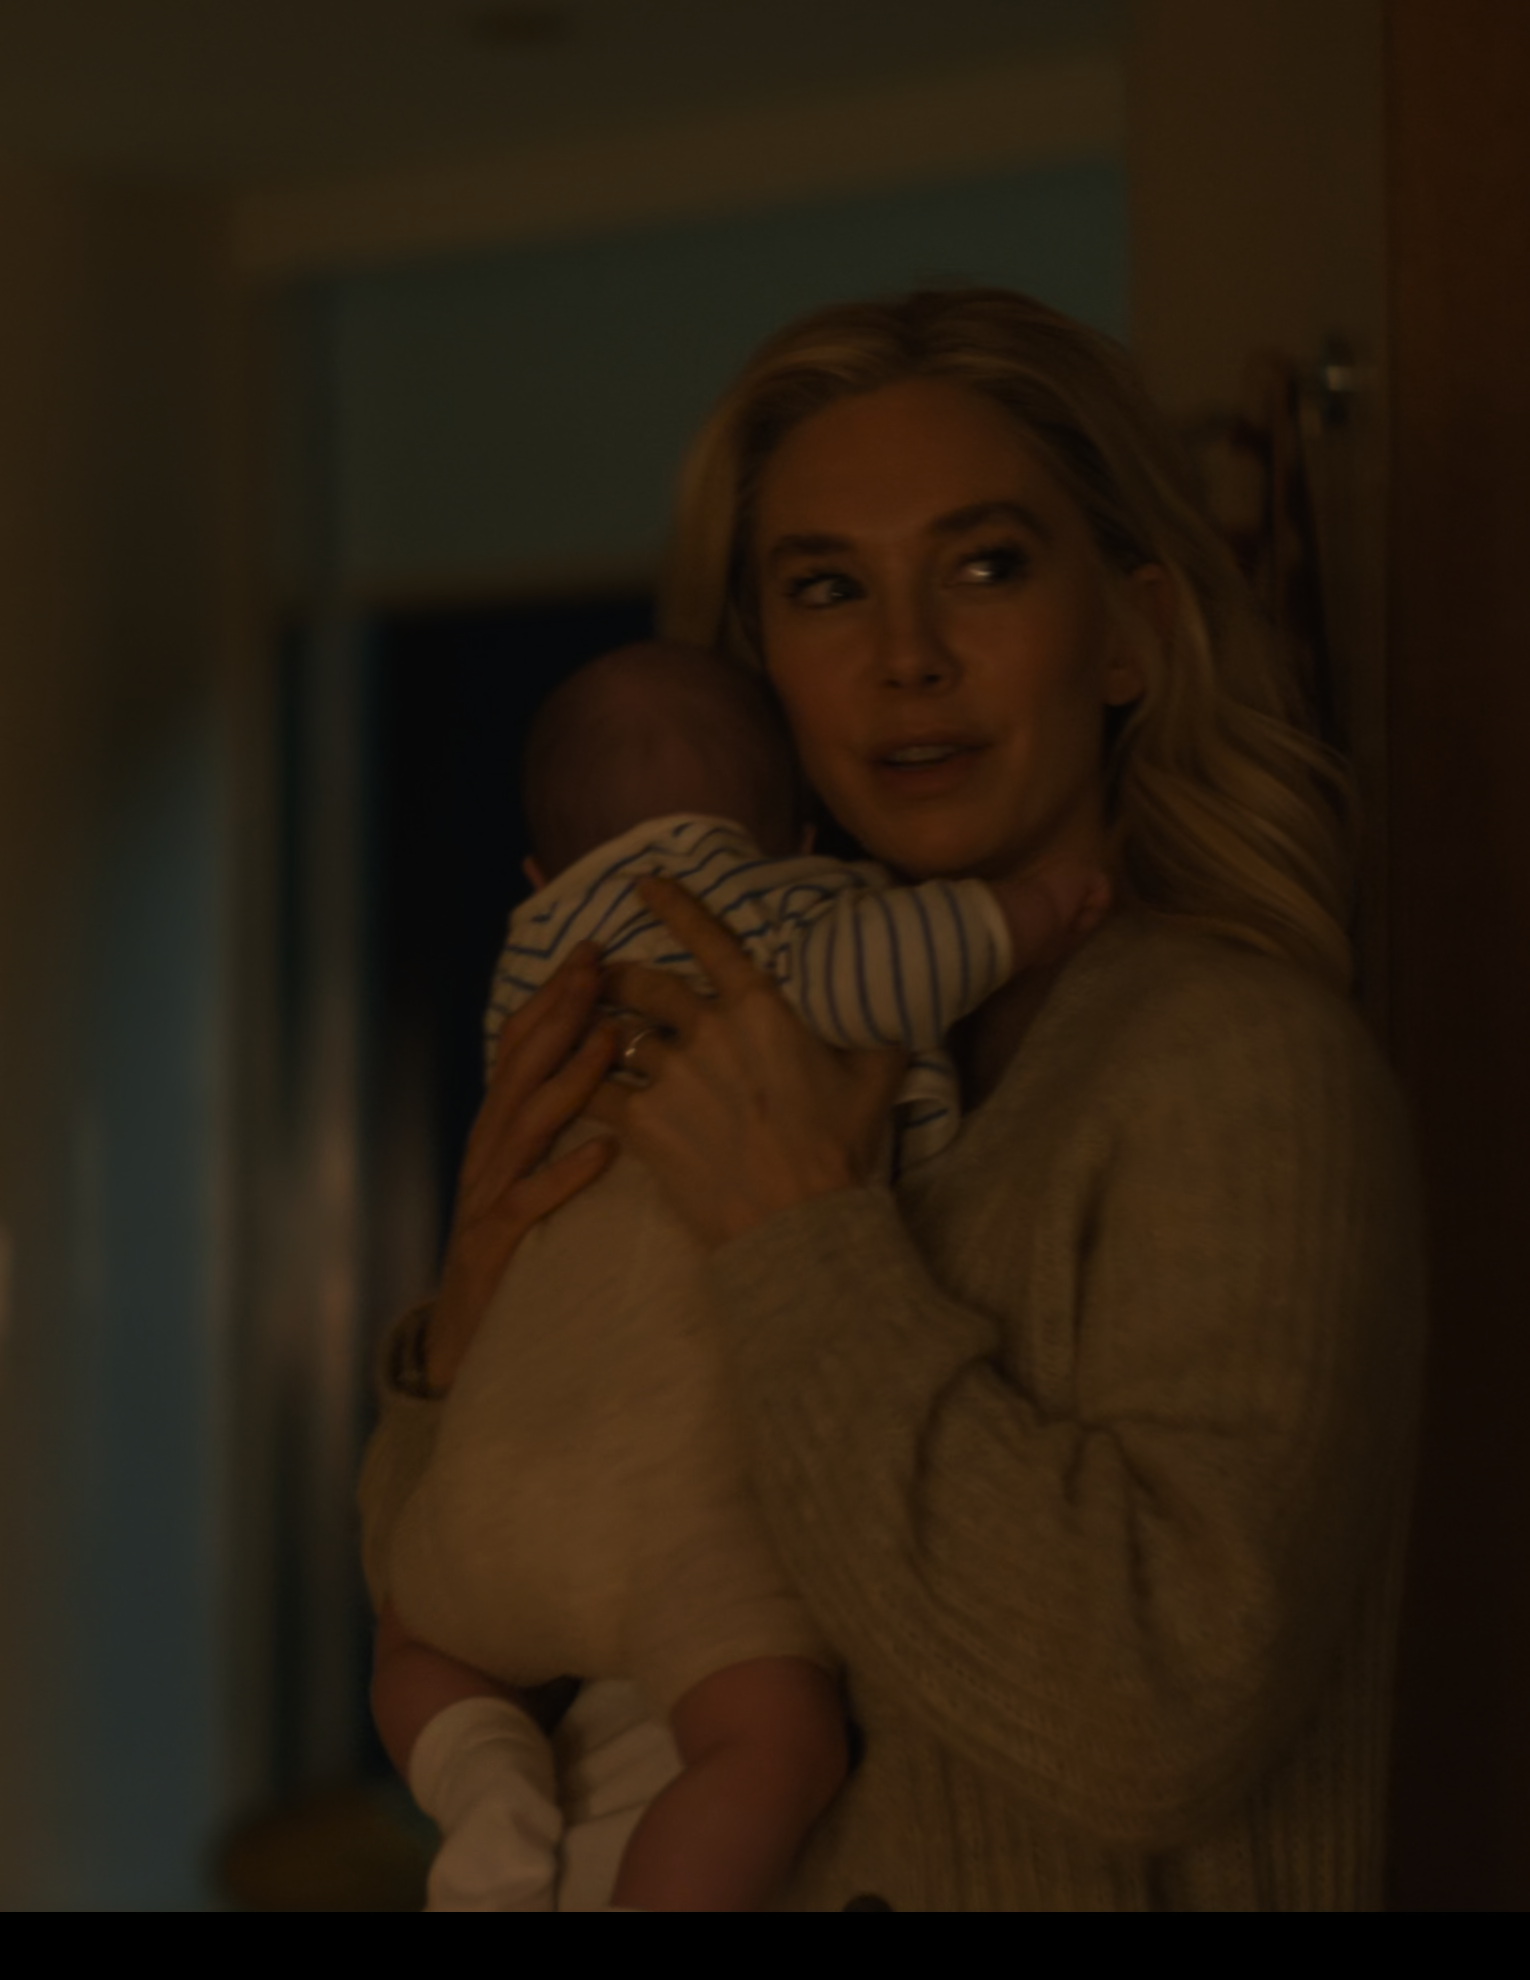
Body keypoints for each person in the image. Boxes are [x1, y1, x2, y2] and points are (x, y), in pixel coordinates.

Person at [358, 288, 1421, 1910]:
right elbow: (481, 1591)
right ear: (763, 672)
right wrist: (468, 1330)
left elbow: (1157, 1717)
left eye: (985, 567)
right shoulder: (715, 1030)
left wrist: (798, 1239)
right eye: (827, 589)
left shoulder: (1237, 1062)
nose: (906, 657)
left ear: (1128, 635)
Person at [362, 640, 1106, 1910]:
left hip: (496, 1472)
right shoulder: (781, 926)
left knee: (419, 1642)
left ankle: (483, 1785)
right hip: (683, 1512)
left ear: (539, 877)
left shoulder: (535, 972)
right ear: (797, 840)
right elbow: (893, 966)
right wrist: (1031, 912)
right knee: (770, 1748)